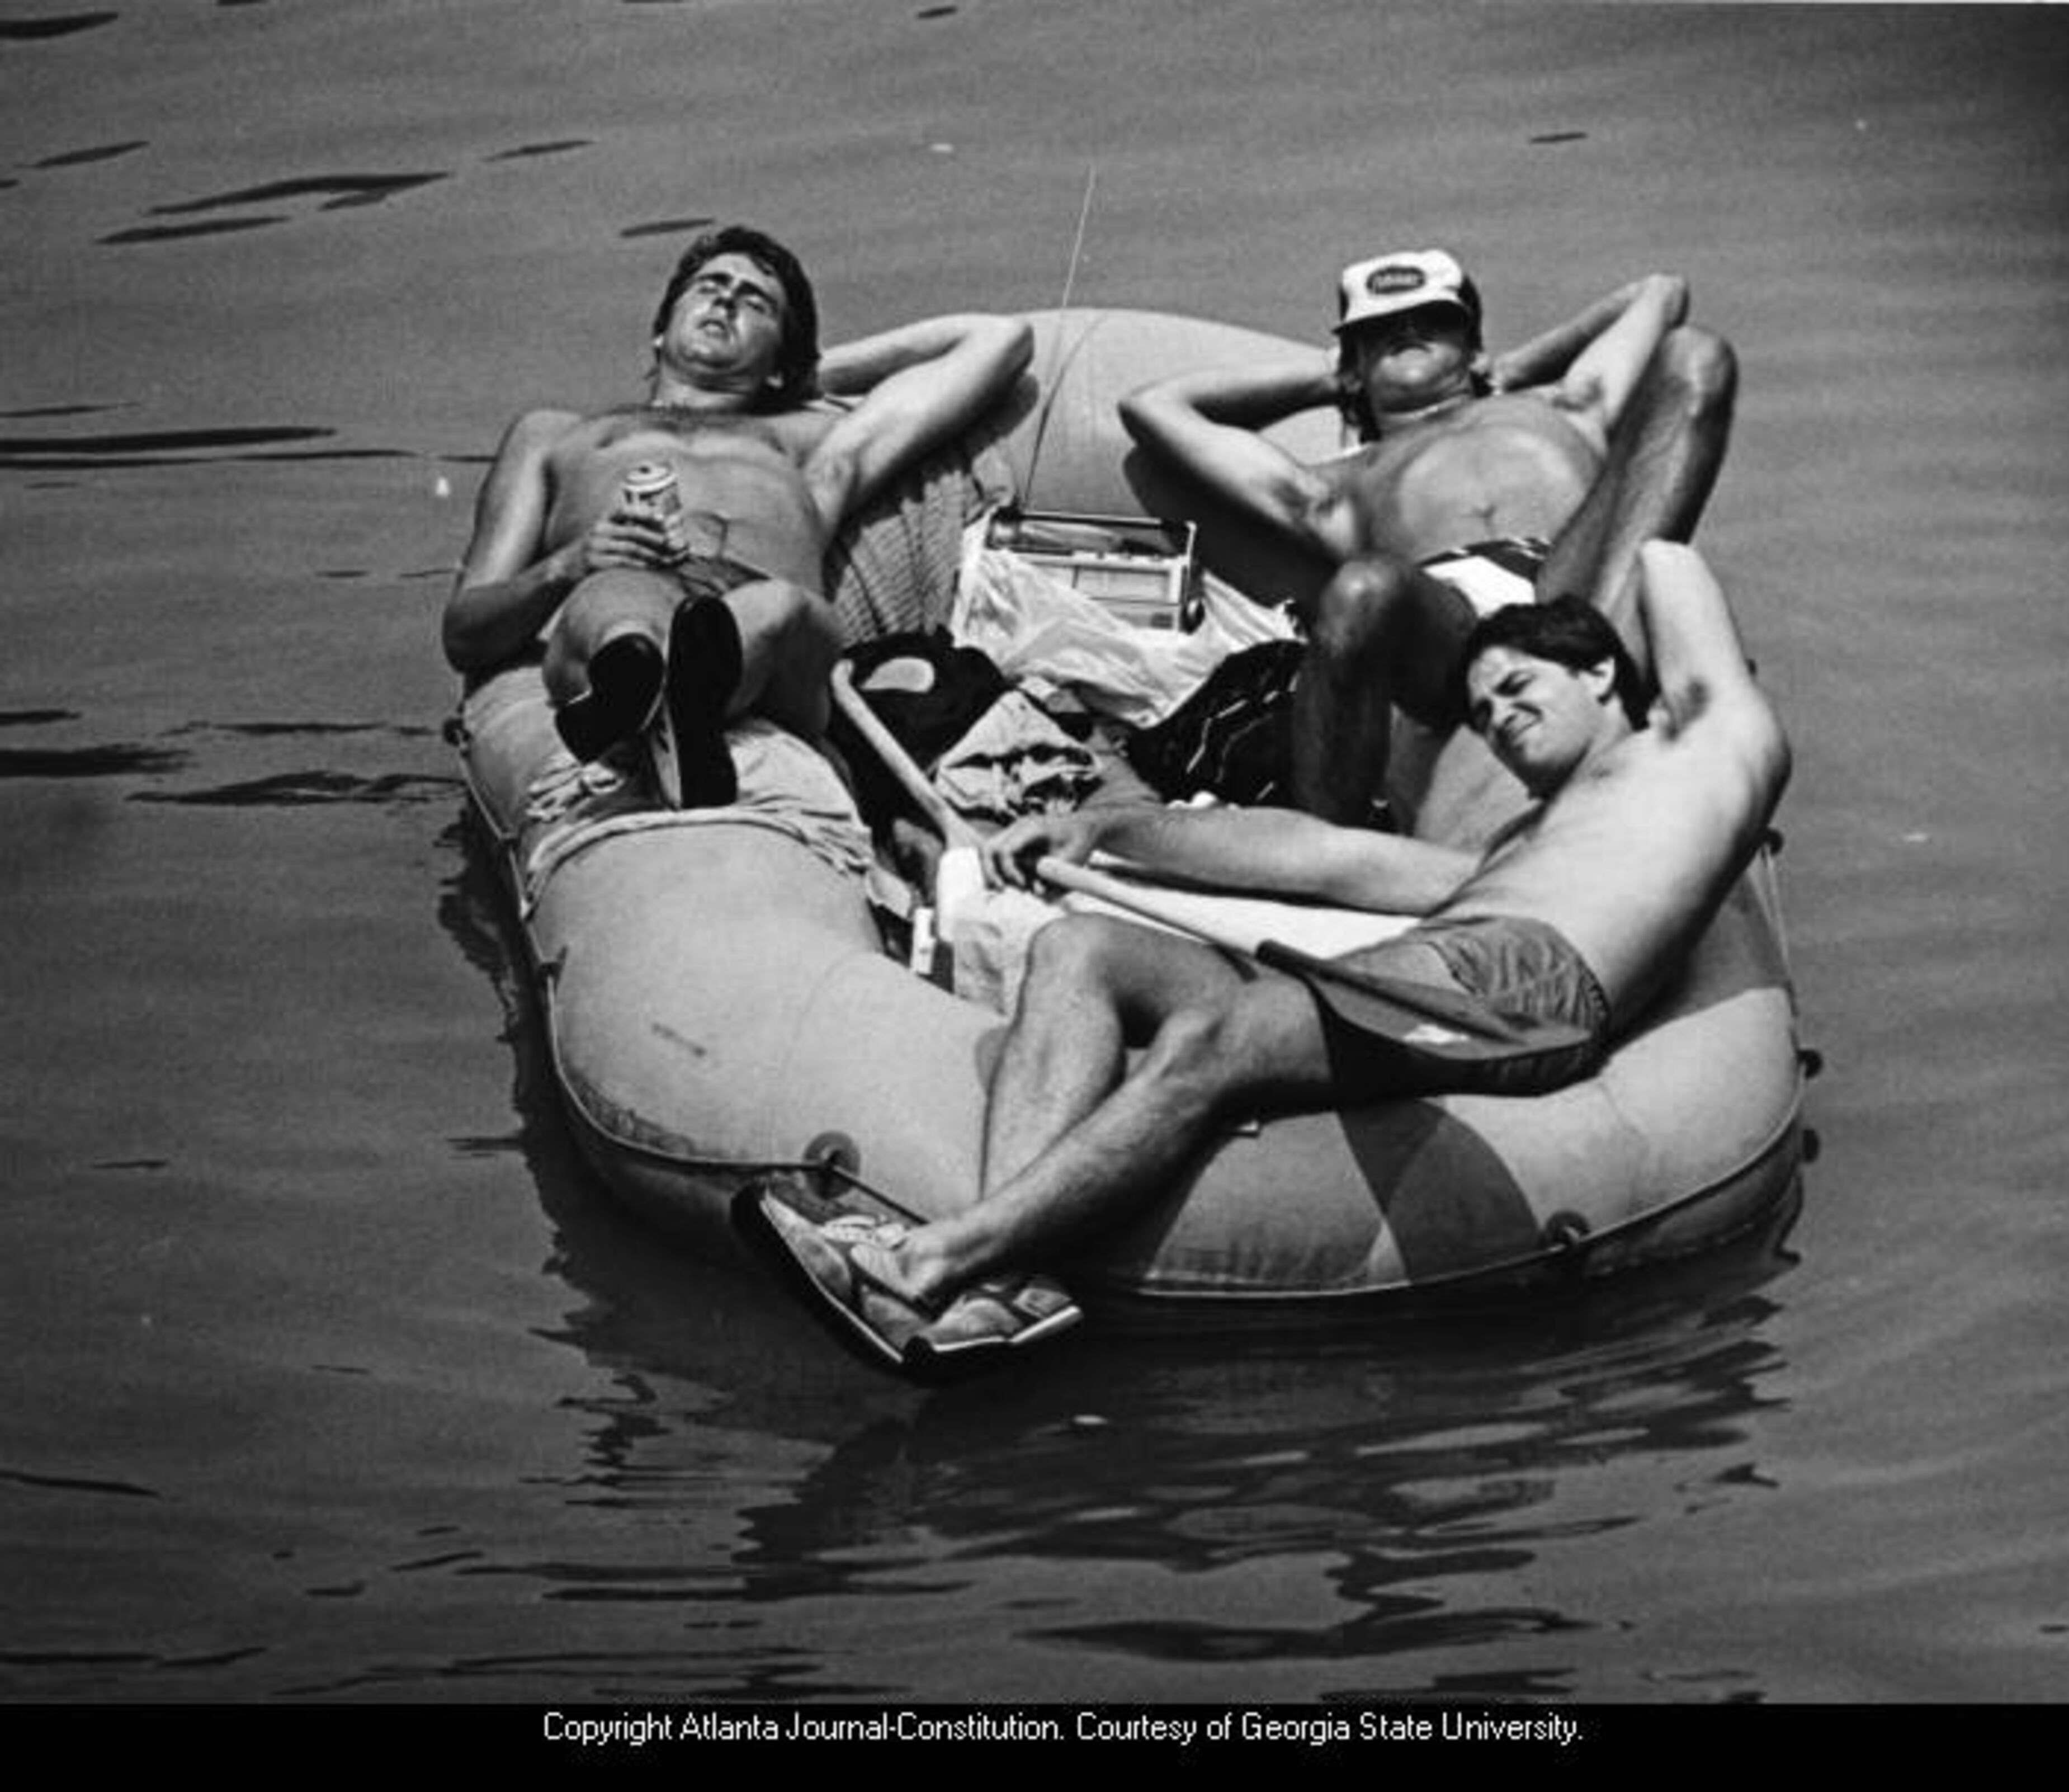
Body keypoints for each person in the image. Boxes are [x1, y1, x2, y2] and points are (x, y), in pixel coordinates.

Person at [747, 541, 1789, 1370]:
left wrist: (1550, 629)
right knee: (1081, 949)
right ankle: (1001, 1292)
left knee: (1225, 1030)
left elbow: (1663, 559)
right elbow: (1319, 855)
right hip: (1440, 965)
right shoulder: (1521, 844)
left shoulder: (1705, 747)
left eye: (1519, 689)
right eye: (1481, 712)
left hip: (1526, 987)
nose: (1500, 721)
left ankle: (929, 1255)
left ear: (1605, 670)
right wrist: (1104, 832)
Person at [1118, 248, 1736, 830]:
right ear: (1354, 365)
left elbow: (1660, 294)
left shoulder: (1567, 407)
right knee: (1363, 587)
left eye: (1432, 321)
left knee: (1697, 357)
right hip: (1452, 627)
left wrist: (1511, 369)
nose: (1407, 332)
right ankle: (1324, 843)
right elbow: (1152, 407)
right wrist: (1334, 377)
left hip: (1582, 589)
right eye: (1381, 330)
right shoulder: (1336, 486)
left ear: (1472, 346)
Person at [442, 224, 1032, 806]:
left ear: (780, 361)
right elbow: (465, 632)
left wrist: (806, 376)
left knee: (778, 609)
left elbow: (998, 341)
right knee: (615, 603)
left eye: (756, 302)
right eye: (708, 286)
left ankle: (662, 705)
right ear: (659, 332)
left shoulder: (813, 445)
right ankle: (651, 697)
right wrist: (566, 567)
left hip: (766, 630)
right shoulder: (556, 437)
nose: (725, 299)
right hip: (626, 592)